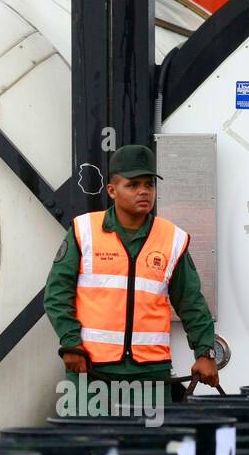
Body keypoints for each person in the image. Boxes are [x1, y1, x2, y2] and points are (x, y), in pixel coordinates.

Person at [43, 144, 219, 414]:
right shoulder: (84, 231)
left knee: (150, 442)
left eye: (149, 184)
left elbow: (191, 302)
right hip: (90, 369)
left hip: (150, 374)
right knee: (86, 439)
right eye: (133, 185)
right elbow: (57, 294)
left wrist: (205, 353)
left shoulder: (172, 239)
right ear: (112, 191)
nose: (144, 191)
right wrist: (70, 343)